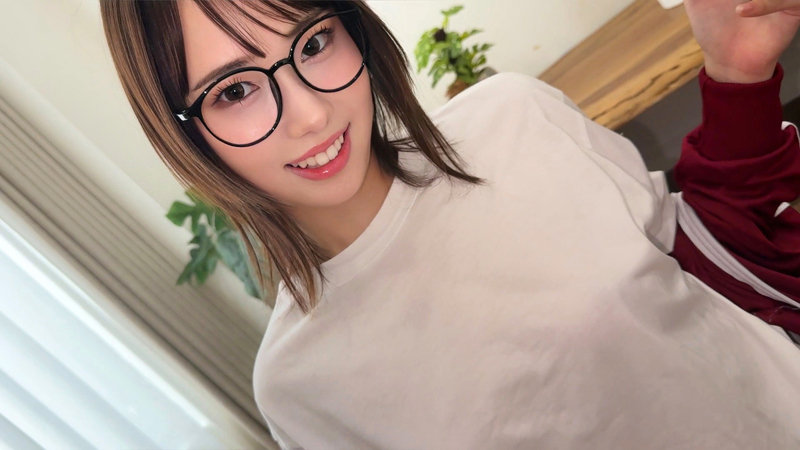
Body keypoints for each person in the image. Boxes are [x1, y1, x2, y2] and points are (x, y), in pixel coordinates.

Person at [99, 0, 800, 447]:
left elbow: (721, 263)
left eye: (312, 43)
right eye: (235, 90)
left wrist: (736, 75)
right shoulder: (299, 384)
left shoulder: (513, 117)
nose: (311, 113)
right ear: (185, 134)